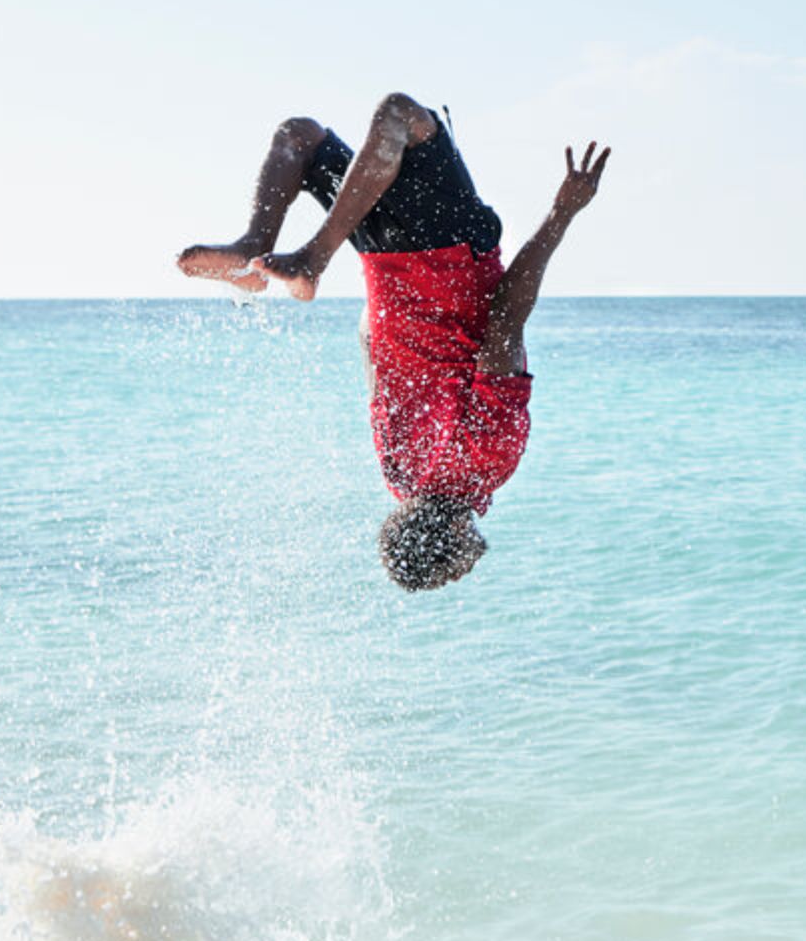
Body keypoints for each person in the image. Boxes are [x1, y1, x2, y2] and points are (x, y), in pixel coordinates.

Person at [177, 94, 608, 591]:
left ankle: (305, 255)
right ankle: (255, 248)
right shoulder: (396, 472)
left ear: (456, 539)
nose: (462, 574)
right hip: (383, 258)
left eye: (452, 573)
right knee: (299, 136)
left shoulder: (489, 457)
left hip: (449, 242)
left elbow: (506, 319)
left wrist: (562, 213)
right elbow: (370, 346)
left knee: (398, 115)